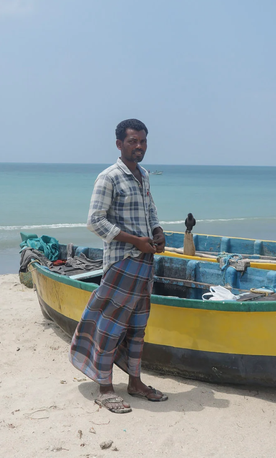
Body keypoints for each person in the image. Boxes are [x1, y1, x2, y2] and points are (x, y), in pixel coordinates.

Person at [69, 118, 168, 414]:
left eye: (143, 141)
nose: (139, 147)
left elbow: (149, 210)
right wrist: (133, 240)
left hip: (145, 263)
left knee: (137, 328)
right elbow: (94, 222)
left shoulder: (144, 175)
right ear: (119, 144)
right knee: (110, 328)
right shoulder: (109, 177)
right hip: (122, 262)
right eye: (132, 141)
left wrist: (158, 232)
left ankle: (135, 383)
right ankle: (105, 388)